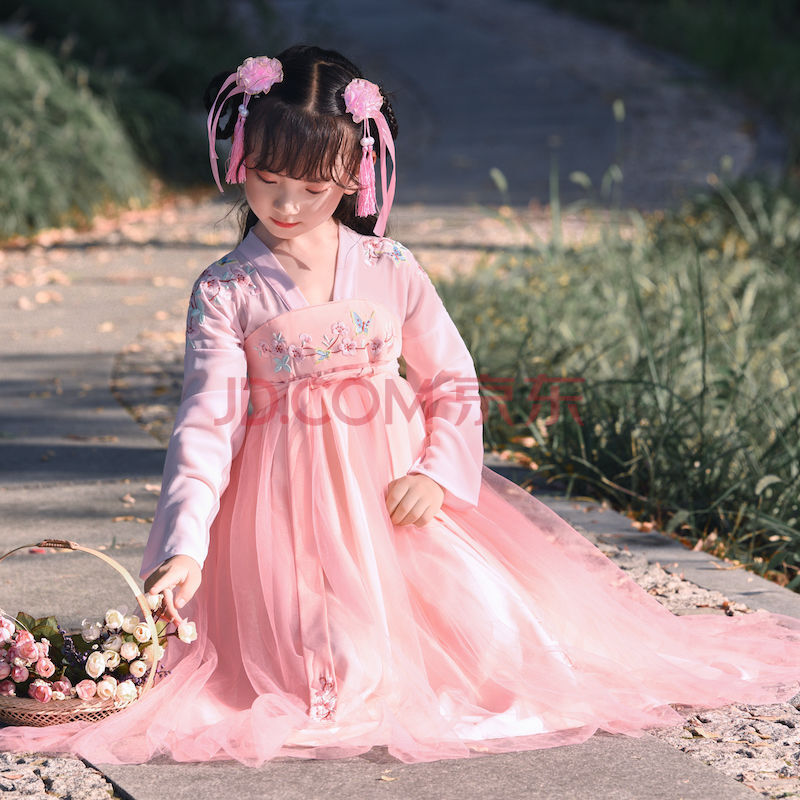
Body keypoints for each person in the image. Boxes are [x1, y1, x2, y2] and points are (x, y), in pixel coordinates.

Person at [1, 43, 799, 767]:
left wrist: (437, 471)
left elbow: (451, 379)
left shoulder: (389, 265)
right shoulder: (228, 289)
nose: (285, 203)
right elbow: (205, 424)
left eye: (313, 187)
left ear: (353, 177)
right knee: (325, 662)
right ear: (239, 159)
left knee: (492, 646)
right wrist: (185, 546)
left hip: (395, 497)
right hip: (282, 511)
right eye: (267, 179)